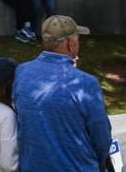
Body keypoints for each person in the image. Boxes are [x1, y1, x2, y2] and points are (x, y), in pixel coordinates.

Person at [13, 15, 111, 172]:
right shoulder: (86, 83)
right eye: (78, 40)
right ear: (70, 44)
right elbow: (102, 140)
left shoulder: (22, 72)